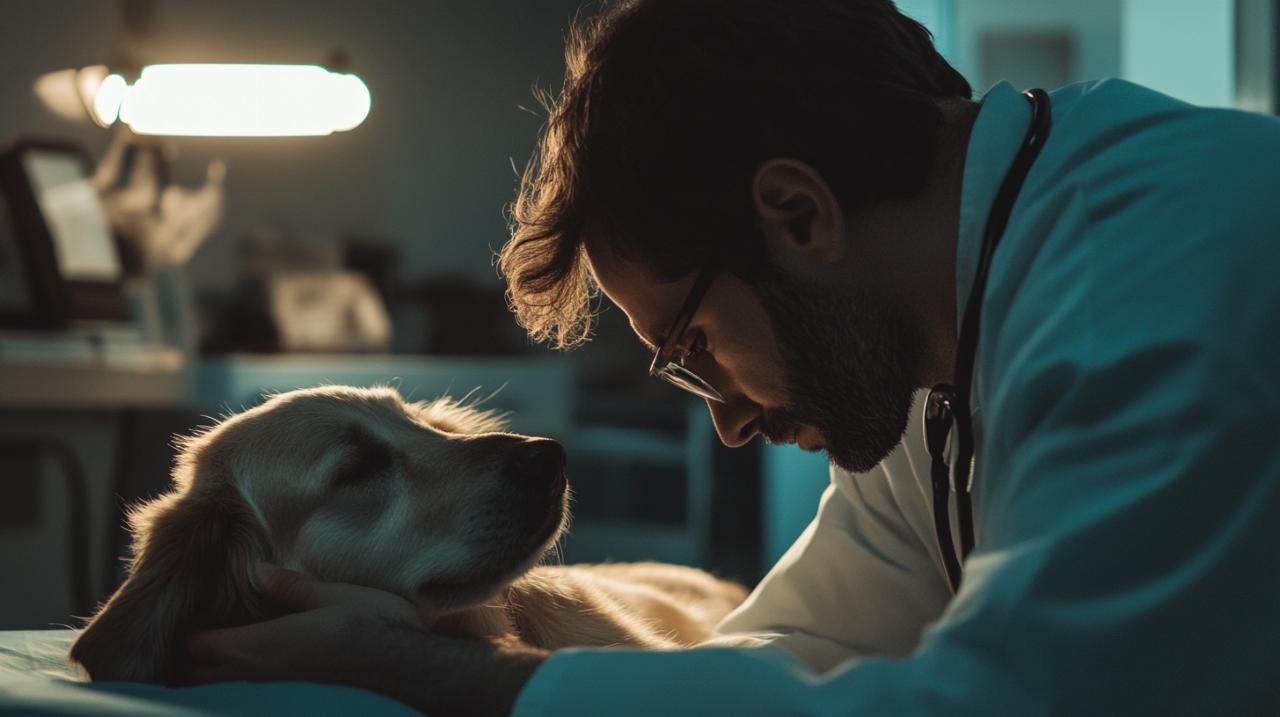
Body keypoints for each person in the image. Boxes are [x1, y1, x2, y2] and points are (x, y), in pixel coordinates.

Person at [186, 0, 1280, 714]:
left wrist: (418, 671)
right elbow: (798, 651)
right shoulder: (947, 338)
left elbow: (987, 704)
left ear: (797, 216)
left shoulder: (1143, 295)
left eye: (695, 347)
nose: (729, 419)